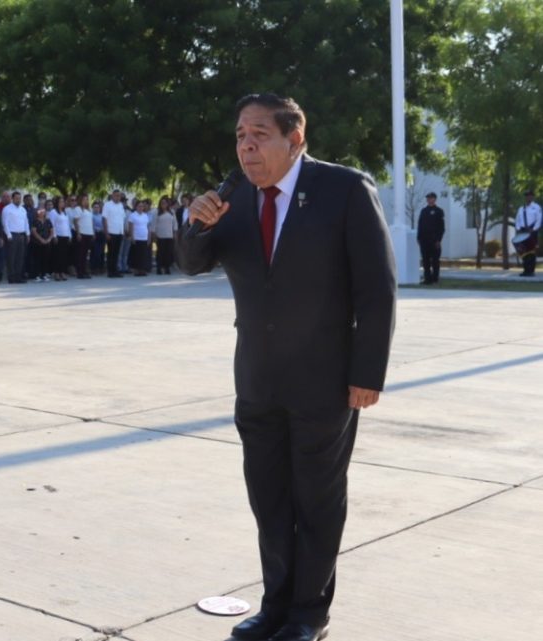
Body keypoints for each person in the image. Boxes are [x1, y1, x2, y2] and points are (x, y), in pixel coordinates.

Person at [178, 93, 395, 641]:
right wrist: (196, 224)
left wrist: (368, 372)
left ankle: (308, 616)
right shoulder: (235, 197)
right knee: (269, 500)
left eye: (258, 134)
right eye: (239, 136)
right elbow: (192, 262)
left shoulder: (343, 189)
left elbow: (377, 288)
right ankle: (275, 606)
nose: (246, 146)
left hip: (326, 381)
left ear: (294, 139)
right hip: (257, 378)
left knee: (317, 502)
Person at [416, 192, 445, 284]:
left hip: (434, 240)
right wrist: (419, 237)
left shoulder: (439, 211)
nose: (429, 199)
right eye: (428, 198)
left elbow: (442, 228)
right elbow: (420, 225)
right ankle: (427, 279)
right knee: (425, 260)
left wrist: (438, 240)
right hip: (424, 240)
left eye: (431, 198)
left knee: (435, 261)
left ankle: (435, 278)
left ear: (435, 199)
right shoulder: (424, 211)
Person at [2, 191, 30, 283]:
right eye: (17, 198)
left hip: (21, 235)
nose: (18, 200)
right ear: (12, 198)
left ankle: (18, 276)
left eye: (19, 198)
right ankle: (11, 277)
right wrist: (8, 235)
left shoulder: (23, 209)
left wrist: (28, 234)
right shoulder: (7, 209)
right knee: (11, 257)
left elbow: (26, 222)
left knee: (20, 257)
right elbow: (5, 223)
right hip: (12, 235)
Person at [515, 189, 541, 277]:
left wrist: (534, 229)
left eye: (530, 195)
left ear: (532, 197)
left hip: (532, 231)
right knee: (524, 251)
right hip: (522, 231)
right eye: (526, 196)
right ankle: (525, 270)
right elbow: (517, 220)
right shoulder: (521, 208)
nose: (528, 197)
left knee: (532, 251)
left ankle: (531, 271)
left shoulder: (537, 207)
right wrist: (518, 228)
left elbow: (539, 220)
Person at [102, 189, 126, 278]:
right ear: (112, 196)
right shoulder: (107, 205)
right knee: (111, 252)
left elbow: (122, 219)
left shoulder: (121, 206)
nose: (117, 197)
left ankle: (115, 270)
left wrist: (122, 231)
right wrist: (106, 232)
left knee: (116, 253)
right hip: (111, 232)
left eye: (119, 196)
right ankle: (110, 271)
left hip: (119, 232)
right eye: (116, 195)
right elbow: (104, 219)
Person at [49, 197, 73, 281]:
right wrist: (54, 236)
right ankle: (56, 272)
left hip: (65, 236)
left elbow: (67, 225)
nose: (62, 203)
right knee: (57, 255)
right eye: (61, 202)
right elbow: (52, 225)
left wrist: (70, 236)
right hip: (58, 236)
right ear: (57, 203)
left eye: (63, 201)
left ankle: (62, 272)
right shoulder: (53, 212)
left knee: (64, 256)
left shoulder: (64, 212)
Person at [127, 199, 151, 276]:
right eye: (139, 206)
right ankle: (136, 270)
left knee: (143, 254)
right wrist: (132, 237)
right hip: (136, 237)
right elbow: (130, 227)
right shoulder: (132, 215)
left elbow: (147, 227)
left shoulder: (145, 215)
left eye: (142, 206)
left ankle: (142, 269)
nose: (141, 207)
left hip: (144, 237)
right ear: (136, 207)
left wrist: (148, 237)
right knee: (136, 254)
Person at [152, 199, 177, 274]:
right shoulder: (157, 212)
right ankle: (159, 268)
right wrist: (154, 234)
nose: (164, 204)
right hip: (160, 235)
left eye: (165, 203)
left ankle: (167, 267)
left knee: (168, 252)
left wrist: (175, 232)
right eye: (162, 203)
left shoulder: (172, 212)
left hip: (169, 235)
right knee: (160, 252)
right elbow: (154, 224)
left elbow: (175, 223)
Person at [30, 207, 54, 281]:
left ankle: (44, 275)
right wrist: (41, 240)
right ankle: (37, 275)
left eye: (43, 210)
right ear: (37, 212)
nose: (42, 212)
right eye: (40, 211)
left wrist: (49, 239)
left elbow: (52, 231)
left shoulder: (48, 221)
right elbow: (34, 231)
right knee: (37, 259)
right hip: (37, 243)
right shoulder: (35, 221)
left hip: (47, 242)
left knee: (45, 259)